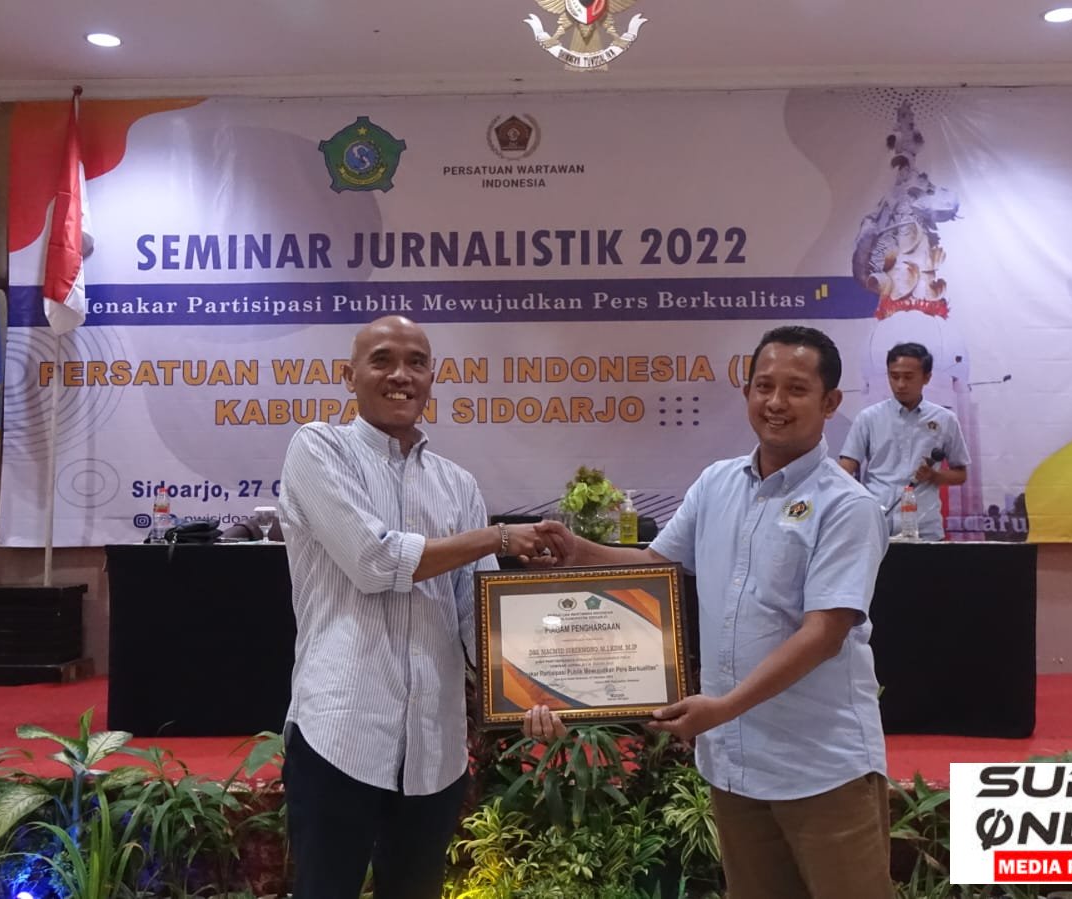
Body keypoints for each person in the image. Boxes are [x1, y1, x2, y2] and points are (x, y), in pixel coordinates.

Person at [525, 324, 894, 898]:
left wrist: (722, 708)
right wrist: (580, 552)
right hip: (734, 765)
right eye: (763, 386)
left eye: (796, 389)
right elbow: (656, 564)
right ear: (746, 392)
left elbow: (824, 634)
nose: (776, 402)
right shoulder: (717, 483)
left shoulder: (848, 506)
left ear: (830, 403)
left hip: (820, 766)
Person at [276, 314, 568, 899]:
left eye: (416, 362)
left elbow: (478, 616)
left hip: (434, 748)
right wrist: (496, 537)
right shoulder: (318, 448)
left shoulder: (457, 485)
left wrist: (532, 694)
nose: (400, 375)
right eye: (382, 360)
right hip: (340, 733)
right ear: (349, 376)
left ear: (432, 377)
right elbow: (374, 561)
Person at [838, 341, 969, 541]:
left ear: (926, 377)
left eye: (908, 377)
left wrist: (934, 476)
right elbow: (846, 467)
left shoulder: (945, 419)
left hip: (925, 528)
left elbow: (960, 475)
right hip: (876, 526)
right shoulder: (868, 417)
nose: (900, 384)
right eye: (894, 376)